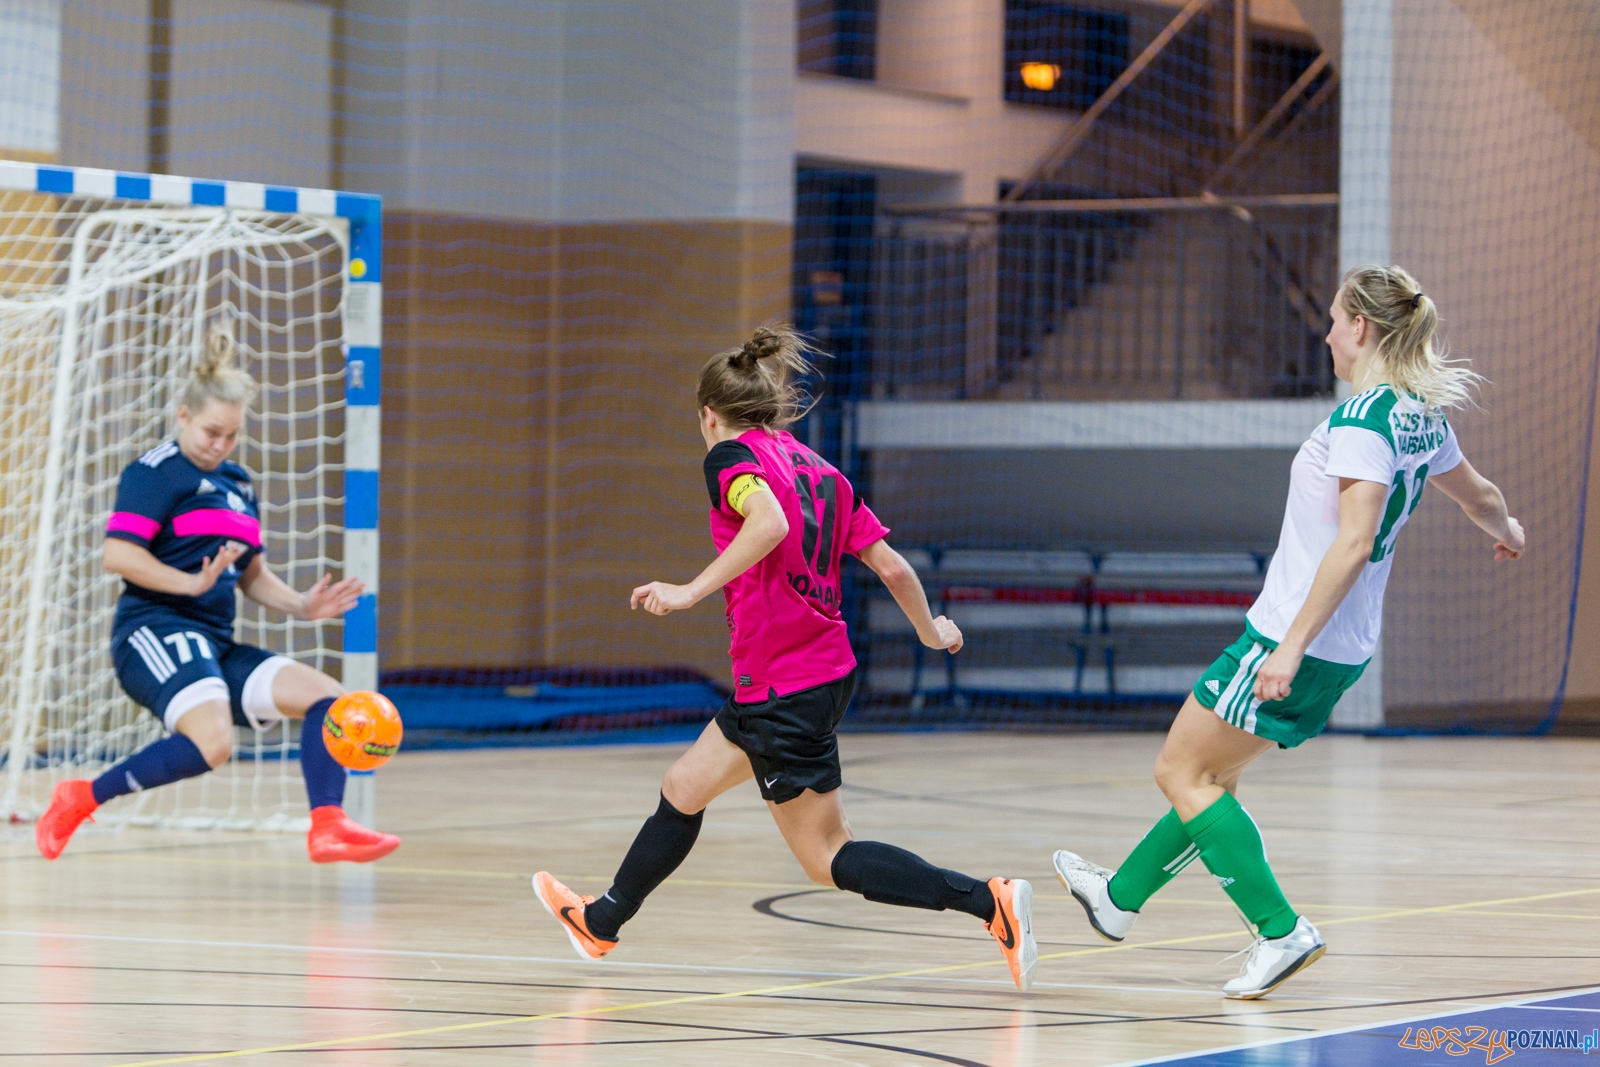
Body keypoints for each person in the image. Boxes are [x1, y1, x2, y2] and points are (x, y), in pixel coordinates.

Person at [1052, 266, 1523, 999]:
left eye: (1336, 319)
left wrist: (1289, 644)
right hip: (1346, 646)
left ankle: (1280, 930)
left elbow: (1354, 540)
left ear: (1362, 328)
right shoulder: (1422, 416)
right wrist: (1509, 529)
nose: (1328, 332)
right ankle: (1119, 899)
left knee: (1182, 771)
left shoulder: (1365, 419)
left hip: (1296, 637)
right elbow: (1482, 496)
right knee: (1215, 777)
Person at [532, 326, 1038, 990]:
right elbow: (890, 567)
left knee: (827, 855)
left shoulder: (729, 458)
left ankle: (988, 900)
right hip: (808, 676)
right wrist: (931, 631)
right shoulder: (819, 468)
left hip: (784, 685)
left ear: (709, 413)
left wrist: (686, 590)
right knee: (684, 787)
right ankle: (602, 920)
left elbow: (766, 521)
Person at [35, 327, 401, 865]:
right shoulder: (154, 474)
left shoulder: (238, 483)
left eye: (231, 436)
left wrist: (302, 604)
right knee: (214, 745)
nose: (219, 445)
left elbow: (250, 574)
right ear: (182, 416)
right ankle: (79, 798)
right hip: (154, 629)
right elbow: (118, 555)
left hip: (212, 640)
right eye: (211, 432)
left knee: (333, 702)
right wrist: (190, 584)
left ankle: (327, 826)